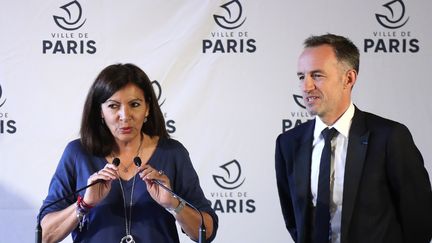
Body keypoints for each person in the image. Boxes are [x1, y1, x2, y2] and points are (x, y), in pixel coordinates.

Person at [275, 33, 432, 243]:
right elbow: (294, 221)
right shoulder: (288, 143)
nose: (306, 86)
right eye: (302, 76)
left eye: (317, 75)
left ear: (348, 79)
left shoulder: (390, 137)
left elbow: (419, 221)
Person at [38, 63, 218, 242]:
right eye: (113, 106)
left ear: (147, 108)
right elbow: (45, 235)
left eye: (134, 104)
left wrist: (174, 204)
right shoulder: (77, 154)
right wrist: (84, 205)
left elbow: (206, 231)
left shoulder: (172, 153)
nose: (125, 115)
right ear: (100, 111)